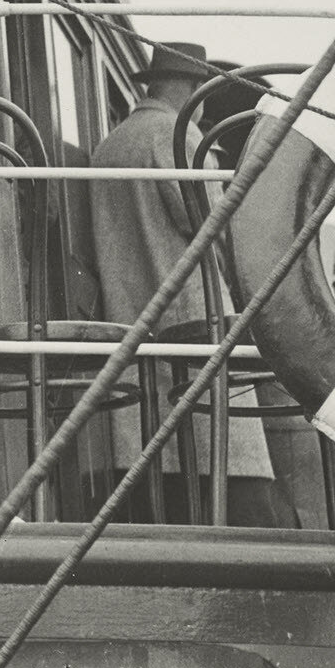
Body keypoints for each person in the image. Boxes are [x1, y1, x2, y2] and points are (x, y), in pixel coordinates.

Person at [87, 40, 292, 527]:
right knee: (238, 476)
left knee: (164, 471)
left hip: (133, 329)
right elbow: (217, 229)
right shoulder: (176, 137)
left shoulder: (109, 145)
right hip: (198, 323)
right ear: (195, 89)